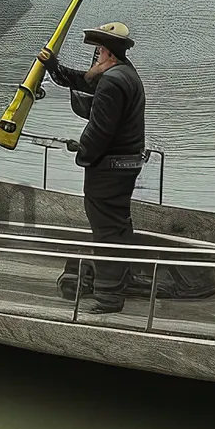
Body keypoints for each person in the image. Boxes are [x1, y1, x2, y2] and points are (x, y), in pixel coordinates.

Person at [38, 22, 146, 313]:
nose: (94, 57)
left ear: (107, 53)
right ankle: (121, 284)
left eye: (97, 51)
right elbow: (85, 83)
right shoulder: (124, 73)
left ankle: (109, 297)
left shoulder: (112, 81)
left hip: (110, 168)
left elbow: (100, 130)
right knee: (118, 227)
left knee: (106, 231)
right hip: (126, 163)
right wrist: (53, 67)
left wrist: (82, 151)